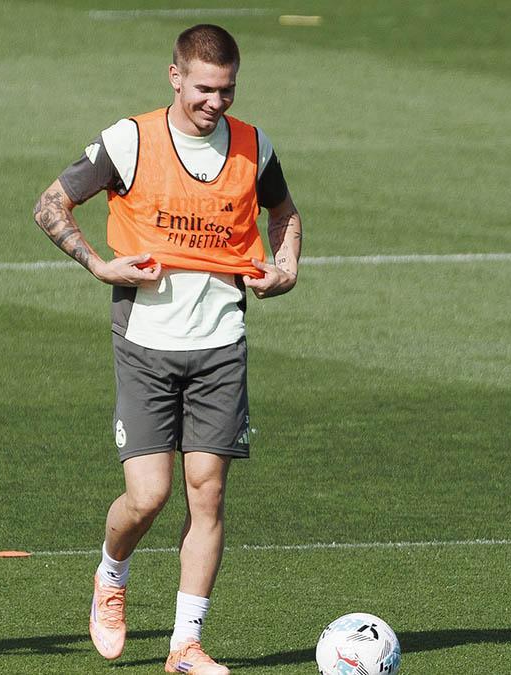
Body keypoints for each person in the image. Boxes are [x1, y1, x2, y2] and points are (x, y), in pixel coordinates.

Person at [33, 24, 302, 674]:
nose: (216, 102)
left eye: (227, 90)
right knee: (148, 496)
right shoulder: (132, 139)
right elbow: (50, 205)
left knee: (206, 493)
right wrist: (99, 265)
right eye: (205, 88)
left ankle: (185, 644)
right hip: (147, 343)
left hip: (221, 344)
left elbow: (284, 213)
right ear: (175, 76)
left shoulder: (253, 146)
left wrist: (287, 265)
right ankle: (111, 572)